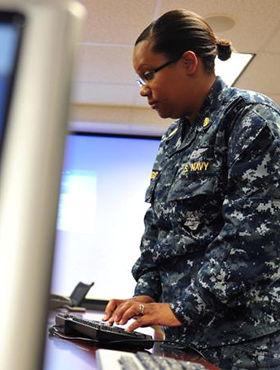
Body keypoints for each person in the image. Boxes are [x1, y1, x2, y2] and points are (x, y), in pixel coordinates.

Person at [102, 9, 280, 370]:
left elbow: (252, 240)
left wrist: (181, 308)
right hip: (183, 341)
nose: (143, 89)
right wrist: (145, 293)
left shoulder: (252, 121)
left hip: (244, 347)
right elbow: (157, 231)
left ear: (188, 62)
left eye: (149, 74)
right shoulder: (173, 139)